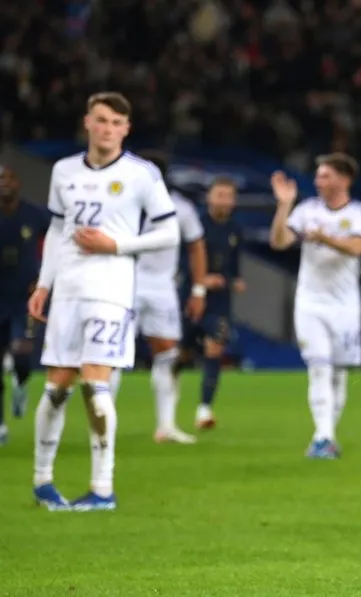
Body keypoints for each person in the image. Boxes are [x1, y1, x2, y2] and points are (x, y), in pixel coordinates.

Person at [28, 92, 181, 511]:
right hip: (68, 291)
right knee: (56, 386)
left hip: (111, 290)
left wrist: (117, 244)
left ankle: (102, 487)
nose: (108, 128)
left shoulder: (142, 174)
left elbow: (169, 233)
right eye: (101, 120)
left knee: (95, 386)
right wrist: (44, 285)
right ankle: (43, 481)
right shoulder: (63, 171)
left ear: (126, 129)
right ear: (87, 123)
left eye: (116, 122)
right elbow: (59, 232)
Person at [268, 153, 361, 458]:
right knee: (319, 366)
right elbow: (278, 241)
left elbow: (357, 247)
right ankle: (323, 437)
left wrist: (325, 237)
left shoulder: (360, 214)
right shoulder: (307, 210)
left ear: (344, 179)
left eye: (325, 175)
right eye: (318, 176)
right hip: (310, 302)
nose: (318, 181)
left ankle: (327, 434)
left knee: (338, 372)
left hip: (345, 306)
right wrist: (284, 205)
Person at [106, 151, 208, 444]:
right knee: (113, 353)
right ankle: (105, 425)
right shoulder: (121, 201)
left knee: (166, 353)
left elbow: (196, 246)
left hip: (162, 286)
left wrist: (199, 290)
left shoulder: (181, 208)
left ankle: (166, 426)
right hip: (123, 282)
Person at [0, 165, 49, 445]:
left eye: (8, 178)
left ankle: (21, 382)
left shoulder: (34, 214)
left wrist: (43, 279)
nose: (4, 184)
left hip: (24, 298)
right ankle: (1, 426)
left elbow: (57, 240)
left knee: (21, 351)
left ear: (18, 183)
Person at [191, 178, 244, 430]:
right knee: (177, 355)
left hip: (220, 301)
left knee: (215, 348)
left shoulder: (235, 229)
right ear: (209, 197)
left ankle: (204, 409)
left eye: (228, 195)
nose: (224, 200)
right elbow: (182, 259)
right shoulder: (196, 226)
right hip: (190, 296)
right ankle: (165, 417)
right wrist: (200, 279)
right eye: (219, 195)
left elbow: (234, 265)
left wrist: (235, 280)